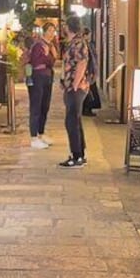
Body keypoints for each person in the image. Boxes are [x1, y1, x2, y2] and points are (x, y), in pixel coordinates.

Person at [59, 16, 89, 168]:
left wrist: (75, 84)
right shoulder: (73, 43)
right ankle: (80, 154)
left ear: (68, 27)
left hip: (76, 88)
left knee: (71, 121)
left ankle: (76, 155)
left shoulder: (78, 43)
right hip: (71, 86)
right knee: (75, 120)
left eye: (65, 25)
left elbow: (82, 63)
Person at [27, 23, 58, 149]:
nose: (51, 33)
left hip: (47, 77)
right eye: (49, 30)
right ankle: (33, 137)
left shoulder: (50, 46)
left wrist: (50, 56)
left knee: (45, 106)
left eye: (53, 31)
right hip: (37, 78)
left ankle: (41, 133)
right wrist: (48, 56)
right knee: (36, 106)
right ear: (44, 32)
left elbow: (52, 62)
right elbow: (37, 62)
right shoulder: (38, 45)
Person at [82, 27, 100, 117]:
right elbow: (89, 59)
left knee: (90, 91)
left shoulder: (88, 45)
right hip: (88, 72)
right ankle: (86, 109)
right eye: (88, 34)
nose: (89, 36)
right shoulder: (85, 46)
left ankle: (86, 108)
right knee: (89, 91)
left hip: (90, 71)